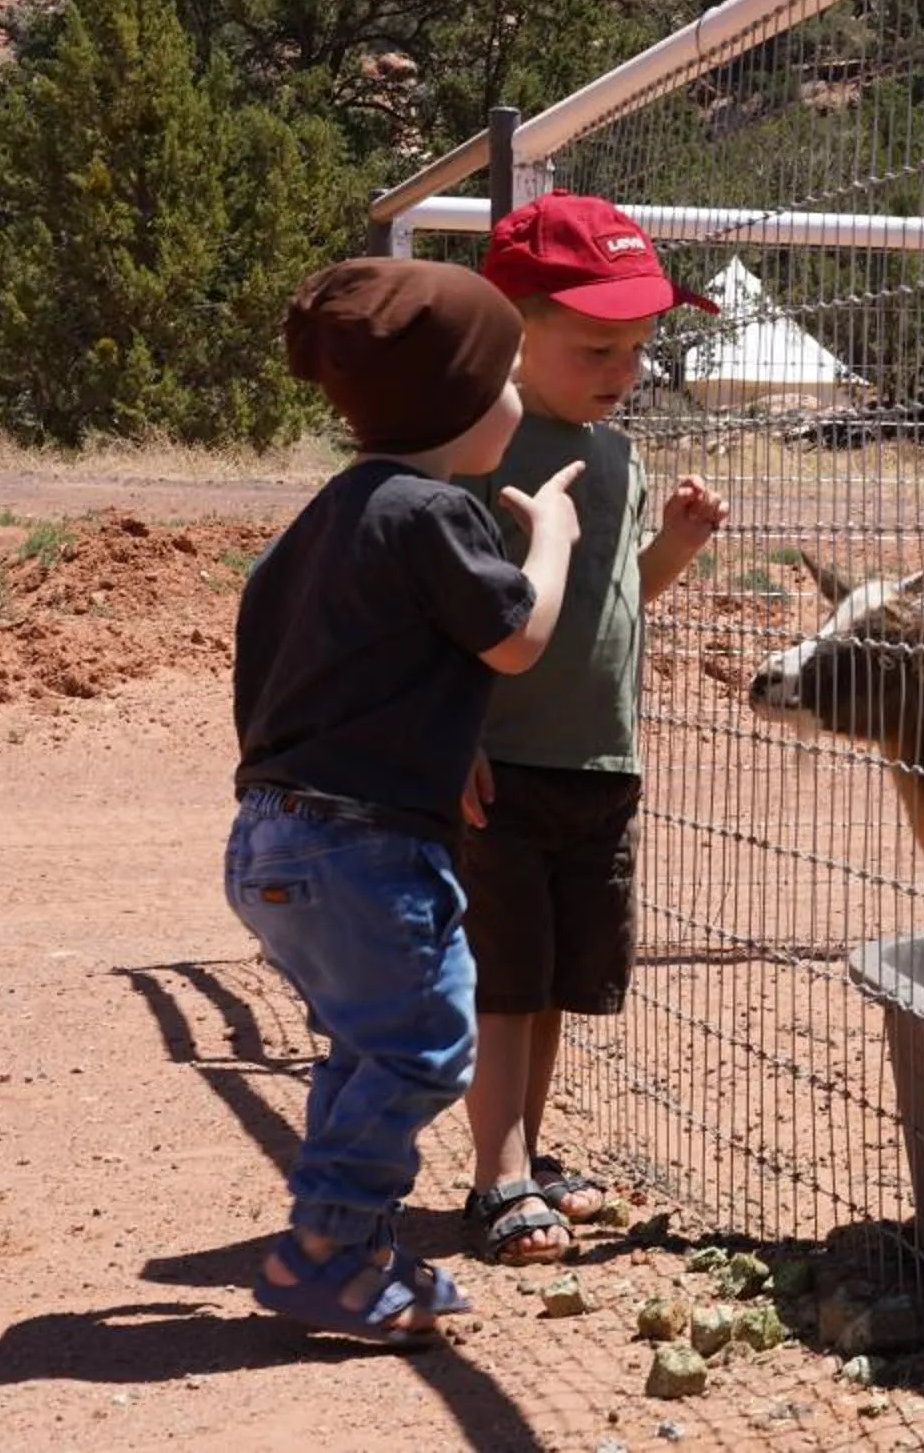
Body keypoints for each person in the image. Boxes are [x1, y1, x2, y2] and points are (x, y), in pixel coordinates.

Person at [226, 257, 586, 1343]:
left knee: (365, 1045)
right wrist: (552, 543)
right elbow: (516, 638)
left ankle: (356, 1251)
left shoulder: (326, 517)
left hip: (275, 837)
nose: (516, 395)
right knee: (425, 1042)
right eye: (506, 376)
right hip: (367, 847)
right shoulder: (434, 512)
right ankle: (325, 1254)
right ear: (461, 398)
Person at [451, 192, 730, 1266]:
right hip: (501, 762)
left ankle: (526, 1156)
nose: (624, 369)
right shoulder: (481, 447)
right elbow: (447, 610)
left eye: (639, 348)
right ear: (511, 330)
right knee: (503, 983)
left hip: (599, 762)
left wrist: (677, 546)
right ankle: (496, 1179)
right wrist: (452, 738)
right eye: (596, 346)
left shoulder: (619, 458)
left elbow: (616, 599)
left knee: (554, 982)